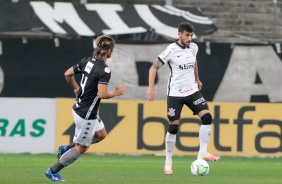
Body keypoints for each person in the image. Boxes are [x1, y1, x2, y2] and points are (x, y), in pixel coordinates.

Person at [45, 34, 126, 182]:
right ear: (108, 51)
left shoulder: (87, 61)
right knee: (82, 148)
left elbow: (68, 74)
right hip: (86, 114)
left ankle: (66, 148)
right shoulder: (104, 70)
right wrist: (116, 93)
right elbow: (102, 94)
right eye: (112, 49)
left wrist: (76, 88)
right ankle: (53, 171)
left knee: (101, 135)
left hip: (80, 107)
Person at [146, 22, 220, 175]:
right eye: (187, 35)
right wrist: (151, 88)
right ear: (179, 34)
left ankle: (203, 153)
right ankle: (168, 163)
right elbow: (153, 67)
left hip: (192, 91)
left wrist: (197, 79)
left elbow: (194, 62)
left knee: (207, 117)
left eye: (191, 35)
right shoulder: (171, 50)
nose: (189, 38)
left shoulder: (194, 47)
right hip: (175, 94)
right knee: (173, 127)